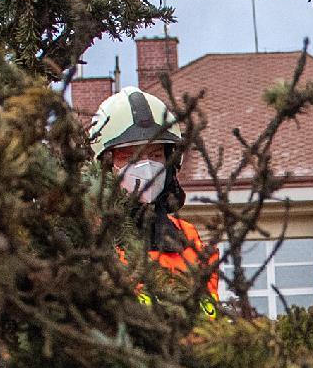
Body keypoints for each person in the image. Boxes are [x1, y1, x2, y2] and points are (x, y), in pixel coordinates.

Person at [87, 85, 218, 302]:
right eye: (130, 157)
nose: (146, 166)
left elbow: (208, 317)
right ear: (104, 166)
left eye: (156, 155)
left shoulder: (188, 239)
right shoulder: (88, 237)